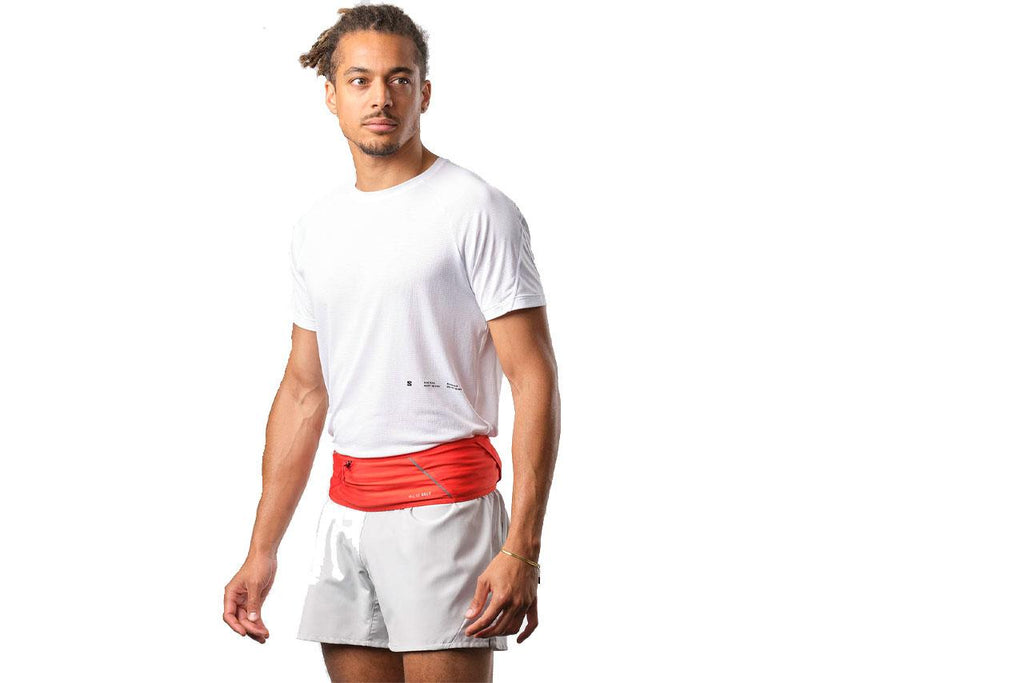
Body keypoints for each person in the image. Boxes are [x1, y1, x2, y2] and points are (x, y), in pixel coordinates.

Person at [222, 4, 561, 681]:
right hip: (346, 511)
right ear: (331, 95)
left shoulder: (475, 208)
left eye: (399, 79)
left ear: (423, 92)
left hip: (445, 507)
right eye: (360, 80)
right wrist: (262, 549)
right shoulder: (317, 228)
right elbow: (304, 390)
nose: (381, 97)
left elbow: (534, 378)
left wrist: (522, 546)